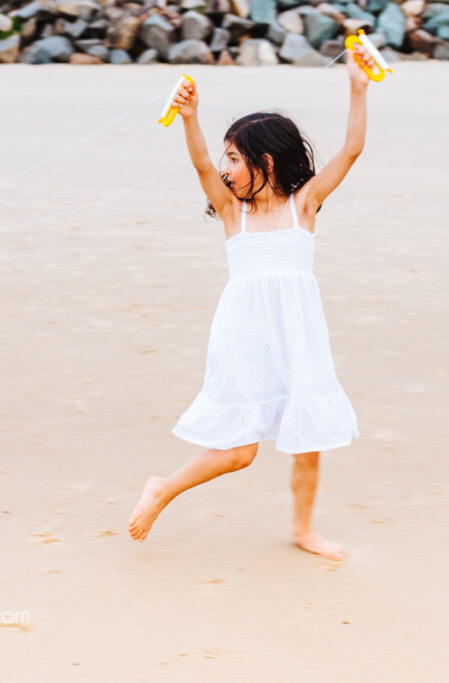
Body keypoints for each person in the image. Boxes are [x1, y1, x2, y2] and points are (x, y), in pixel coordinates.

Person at [128, 44, 377, 560]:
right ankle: (163, 488)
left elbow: (351, 150)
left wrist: (358, 86)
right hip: (245, 337)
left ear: (264, 162)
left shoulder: (303, 205)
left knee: (309, 441)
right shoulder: (230, 213)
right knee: (240, 451)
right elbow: (200, 166)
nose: (226, 167)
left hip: (298, 336)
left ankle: (304, 530)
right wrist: (189, 117)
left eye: (235, 158)